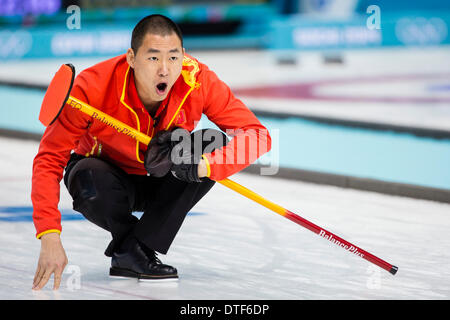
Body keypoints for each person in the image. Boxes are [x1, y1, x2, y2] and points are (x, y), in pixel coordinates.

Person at [31, 14, 271, 290]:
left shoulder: (198, 80)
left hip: (166, 178)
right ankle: (131, 246)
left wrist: (207, 165)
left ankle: (134, 249)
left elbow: (257, 135)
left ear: (184, 55)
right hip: (109, 182)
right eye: (153, 58)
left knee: (210, 143)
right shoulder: (91, 87)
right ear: (131, 58)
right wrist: (49, 235)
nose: (165, 70)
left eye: (173, 57)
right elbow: (49, 159)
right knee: (86, 175)